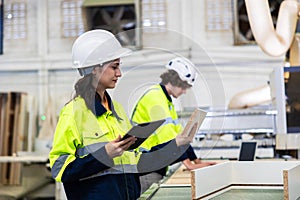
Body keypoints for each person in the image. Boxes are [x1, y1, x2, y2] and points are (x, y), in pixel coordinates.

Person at [48, 29, 198, 200]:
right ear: (95, 69)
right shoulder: (73, 113)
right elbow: (60, 169)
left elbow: (138, 161)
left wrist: (177, 144)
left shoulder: (117, 110)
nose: (119, 73)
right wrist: (105, 155)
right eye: (114, 67)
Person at [131, 57, 216, 193]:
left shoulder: (166, 100)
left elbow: (180, 136)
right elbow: (168, 137)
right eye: (183, 86)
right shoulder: (155, 98)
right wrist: (188, 164)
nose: (184, 91)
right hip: (146, 166)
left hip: (155, 164)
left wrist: (195, 160)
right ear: (174, 80)